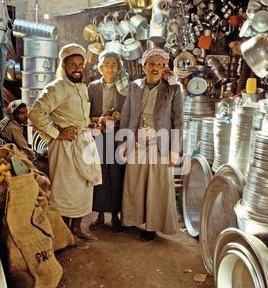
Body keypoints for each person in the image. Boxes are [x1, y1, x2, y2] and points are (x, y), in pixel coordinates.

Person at [28, 43, 102, 242]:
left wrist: (93, 123)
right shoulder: (56, 87)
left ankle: (76, 228)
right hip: (65, 147)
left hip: (85, 143)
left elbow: (80, 118)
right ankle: (63, 233)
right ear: (64, 65)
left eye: (80, 64)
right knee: (66, 190)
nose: (77, 68)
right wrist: (56, 133)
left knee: (84, 188)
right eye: (72, 64)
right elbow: (35, 114)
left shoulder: (83, 88)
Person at [118, 48, 183, 242]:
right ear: (144, 66)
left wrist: (174, 150)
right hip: (137, 143)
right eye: (151, 64)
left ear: (165, 67)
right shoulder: (134, 87)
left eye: (160, 64)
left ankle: (151, 227)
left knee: (156, 186)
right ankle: (132, 219)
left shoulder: (173, 89)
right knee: (135, 184)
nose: (155, 68)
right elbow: (127, 115)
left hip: (160, 144)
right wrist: (123, 143)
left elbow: (178, 121)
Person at [87, 51, 128, 232]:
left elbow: (130, 112)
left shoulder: (124, 88)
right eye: (106, 64)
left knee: (117, 174)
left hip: (118, 135)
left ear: (118, 68)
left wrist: (119, 116)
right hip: (98, 135)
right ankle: (100, 216)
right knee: (99, 173)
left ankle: (116, 216)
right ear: (100, 68)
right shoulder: (92, 87)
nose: (110, 68)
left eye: (114, 64)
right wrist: (100, 120)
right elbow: (85, 114)